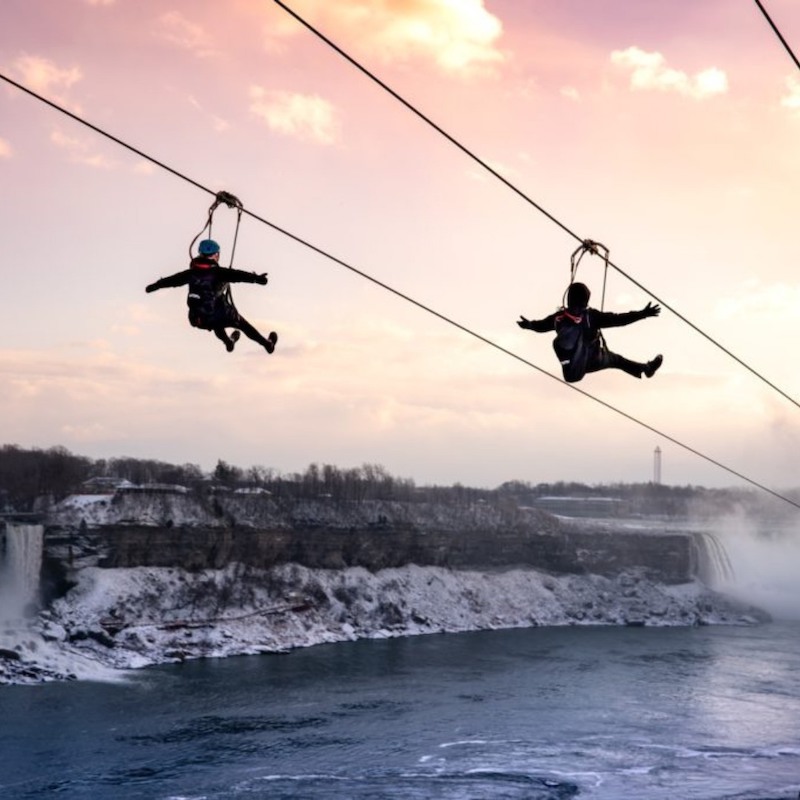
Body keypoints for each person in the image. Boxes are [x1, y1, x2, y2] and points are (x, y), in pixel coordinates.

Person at [145, 239, 278, 354]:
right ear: (216, 255)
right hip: (220, 315)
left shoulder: (190, 273)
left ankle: (228, 342)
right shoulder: (219, 272)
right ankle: (267, 344)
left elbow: (171, 280)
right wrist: (258, 279)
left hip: (197, 319)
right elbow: (239, 275)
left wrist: (155, 286)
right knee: (242, 325)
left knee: (215, 322)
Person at [517, 281, 662, 383]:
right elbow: (618, 319)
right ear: (586, 300)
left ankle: (572, 356)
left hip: (575, 363)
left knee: (614, 359)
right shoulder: (591, 316)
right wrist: (642, 314)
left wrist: (529, 325)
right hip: (594, 360)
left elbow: (542, 325)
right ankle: (646, 369)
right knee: (618, 360)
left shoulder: (559, 317)